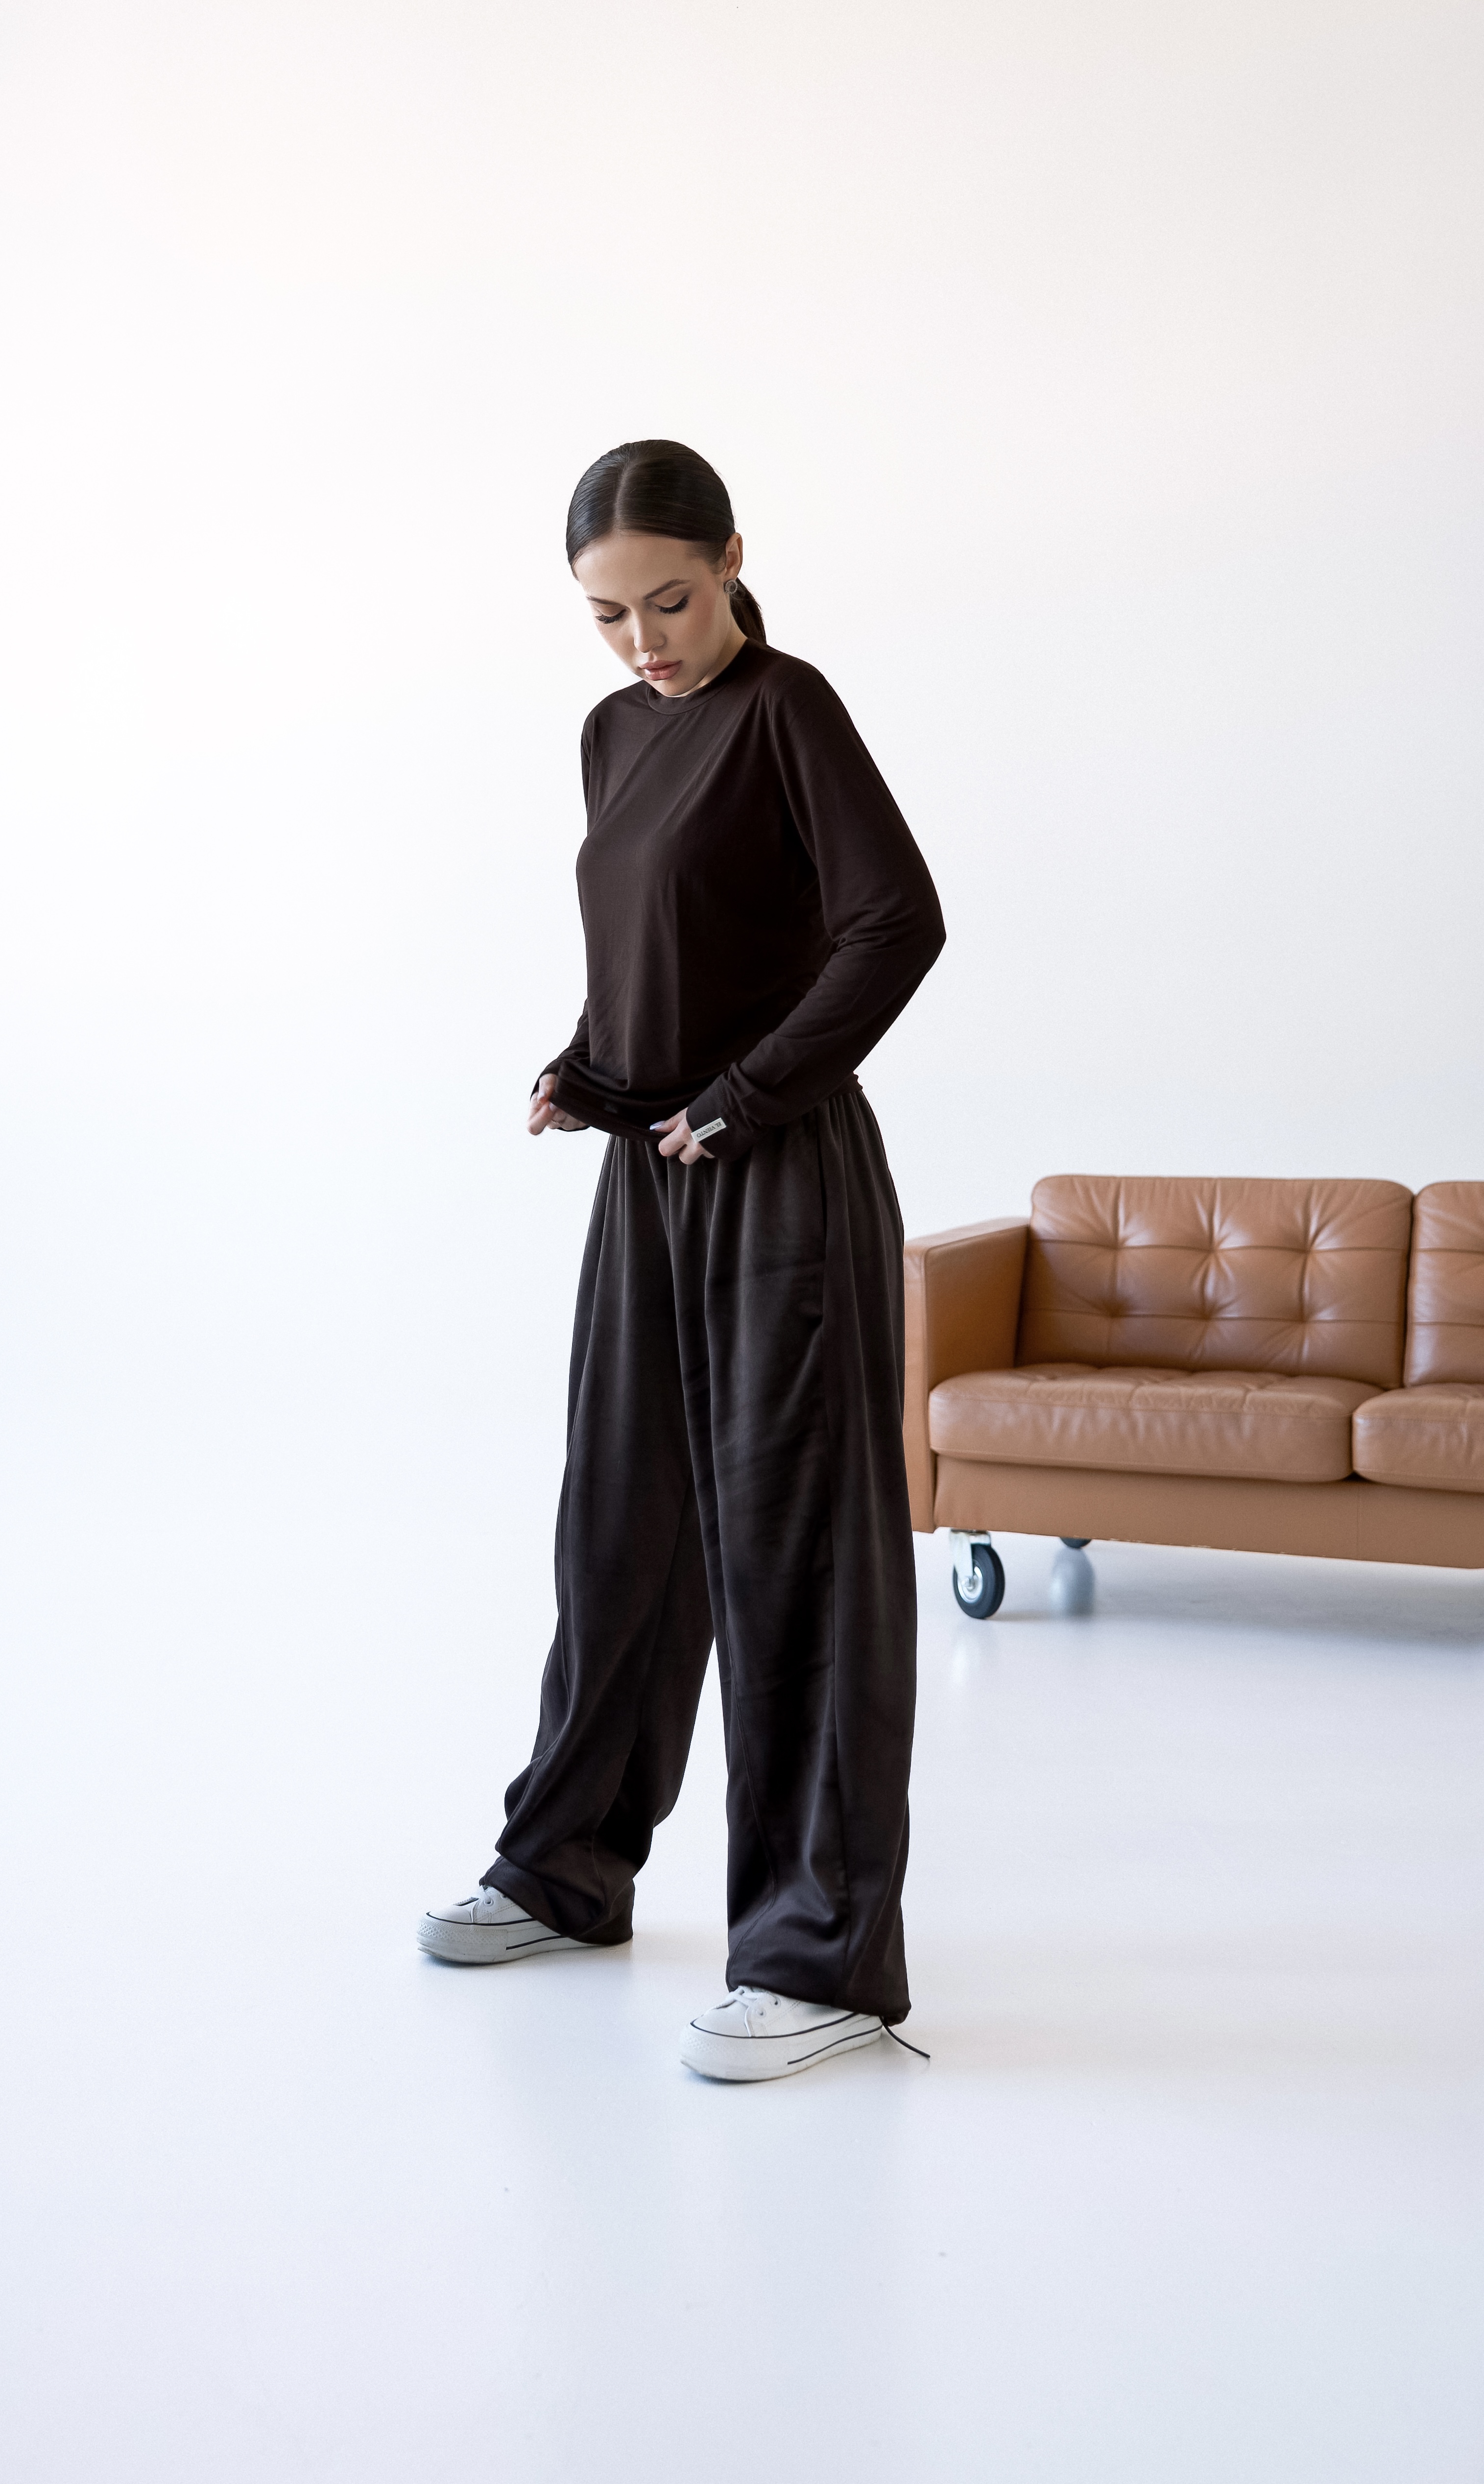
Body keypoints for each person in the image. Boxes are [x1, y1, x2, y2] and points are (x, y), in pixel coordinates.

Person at [418, 440, 946, 2081]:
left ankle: (818, 1956)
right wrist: (589, 1067)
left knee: (794, 1551)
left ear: (730, 561)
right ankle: (567, 1869)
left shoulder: (790, 710)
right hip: (651, 1172)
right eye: (608, 615)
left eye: (670, 600)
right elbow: (651, 941)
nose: (644, 640)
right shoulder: (612, 734)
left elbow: (898, 922)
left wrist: (746, 1094)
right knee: (621, 1522)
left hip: (780, 1175)